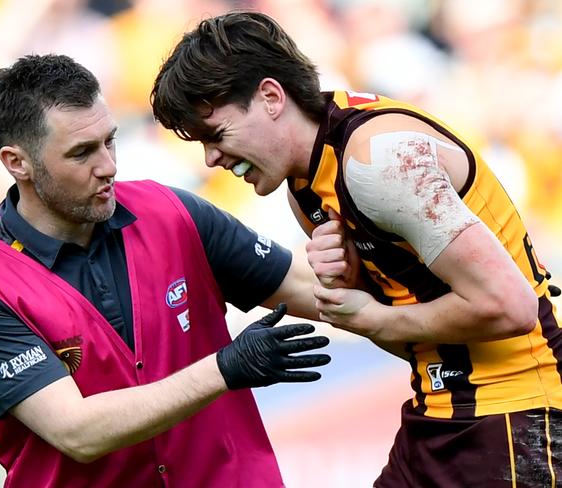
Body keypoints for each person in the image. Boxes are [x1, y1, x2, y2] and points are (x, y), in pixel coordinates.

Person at [151, 10, 562, 487]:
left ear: (269, 96)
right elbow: (411, 340)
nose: (210, 158)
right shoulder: (306, 187)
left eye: (216, 135)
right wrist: (354, 291)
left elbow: (510, 307)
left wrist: (374, 316)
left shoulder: (379, 161)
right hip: (440, 413)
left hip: (520, 413)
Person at [0, 53, 332, 488]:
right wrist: (224, 368)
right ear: (17, 162)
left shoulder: (173, 211)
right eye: (82, 152)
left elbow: (317, 292)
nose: (108, 166)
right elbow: (77, 432)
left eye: (110, 140)